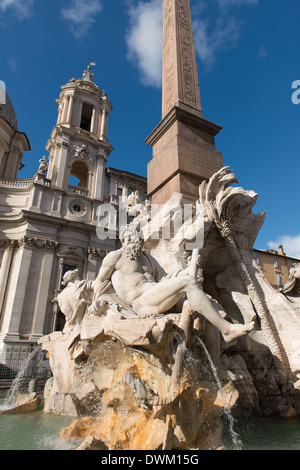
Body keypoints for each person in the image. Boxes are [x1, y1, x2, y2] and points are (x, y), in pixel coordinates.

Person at [93, 224, 254, 344]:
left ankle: (218, 363)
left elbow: (165, 279)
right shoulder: (115, 257)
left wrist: (186, 269)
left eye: (139, 240)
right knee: (188, 282)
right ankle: (227, 329)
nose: (138, 243)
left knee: (205, 304)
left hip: (157, 295)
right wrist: (99, 302)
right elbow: (100, 281)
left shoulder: (147, 258)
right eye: (134, 240)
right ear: (124, 239)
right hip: (141, 303)